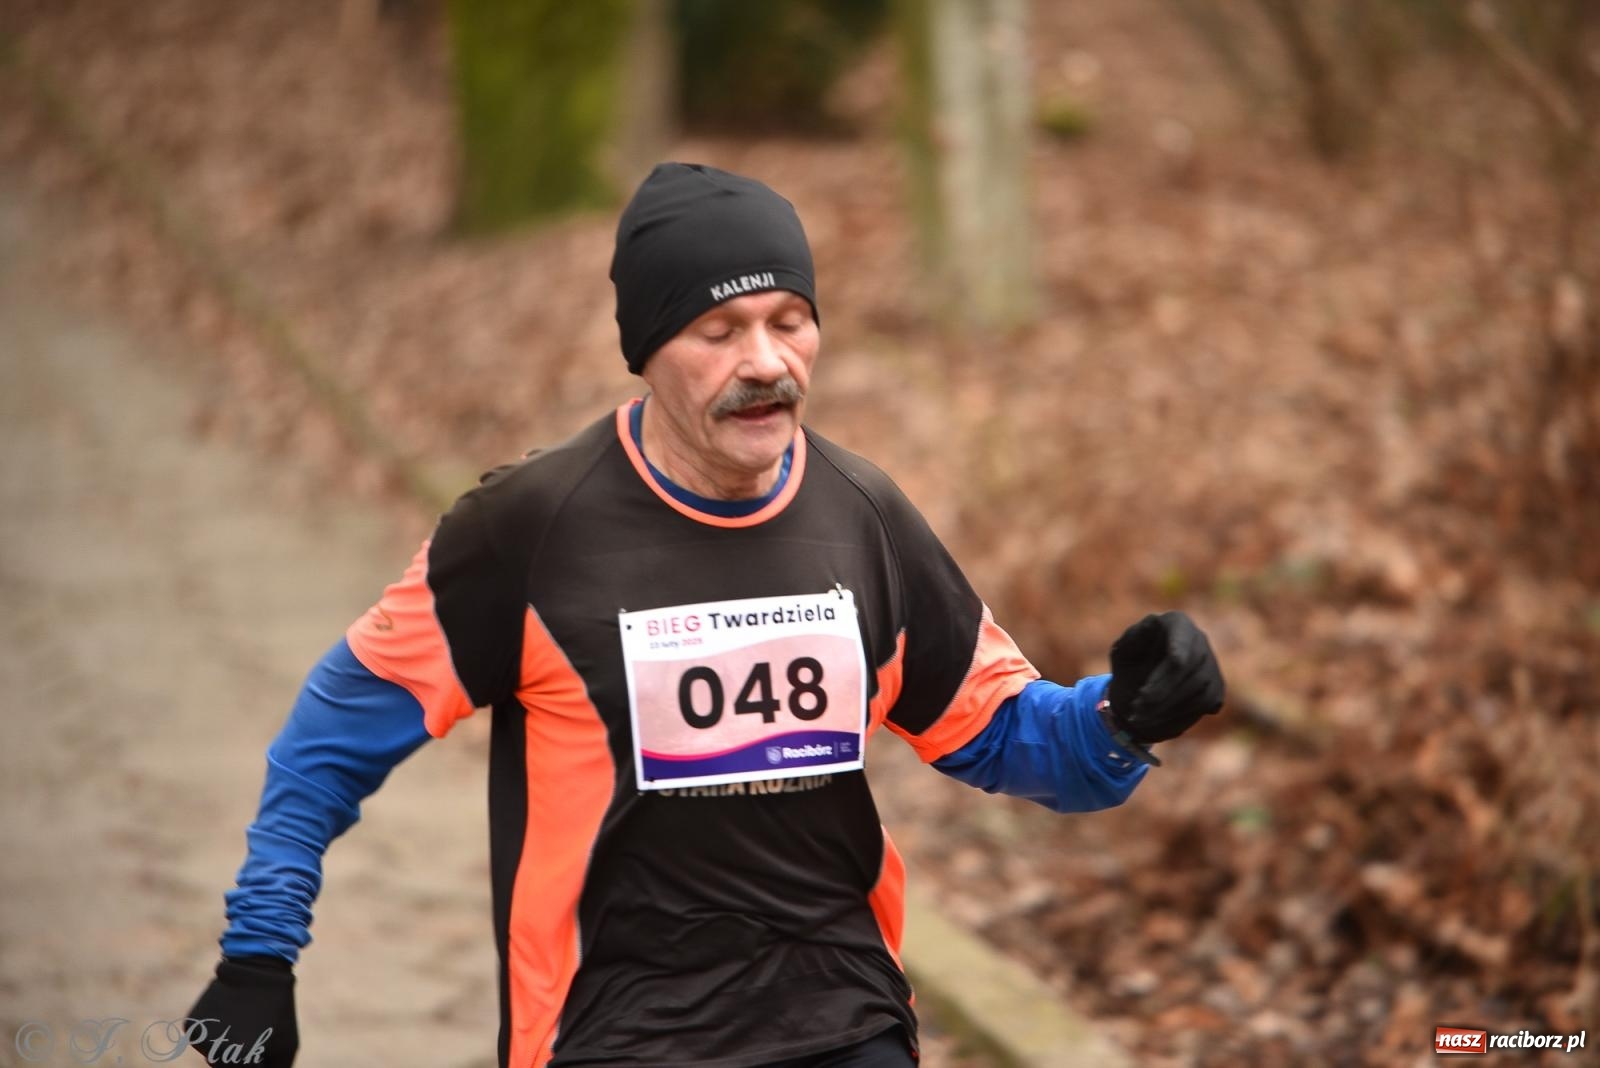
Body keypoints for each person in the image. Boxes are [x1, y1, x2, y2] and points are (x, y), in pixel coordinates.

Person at [184, 162, 1225, 1068]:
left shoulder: (864, 517)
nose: (765, 362)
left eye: (788, 321)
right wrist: (258, 955)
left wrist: (1121, 717)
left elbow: (999, 735)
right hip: (612, 1031)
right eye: (718, 330)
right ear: (646, 349)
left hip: (842, 1014)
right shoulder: (529, 531)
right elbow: (330, 743)